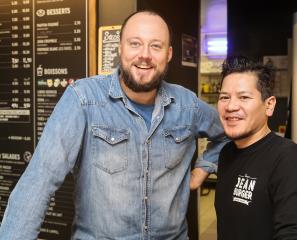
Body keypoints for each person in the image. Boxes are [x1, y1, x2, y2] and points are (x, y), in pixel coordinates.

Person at [0, 10, 226, 239]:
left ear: (168, 54)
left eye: (155, 46)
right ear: (120, 48)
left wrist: (203, 168)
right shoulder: (83, 99)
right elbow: (40, 179)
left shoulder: (187, 104)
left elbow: (225, 133)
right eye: (135, 43)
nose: (144, 55)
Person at [215, 55, 297, 240]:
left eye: (244, 97)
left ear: (269, 105)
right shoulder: (226, 153)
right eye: (224, 97)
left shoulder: (287, 158)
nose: (231, 106)